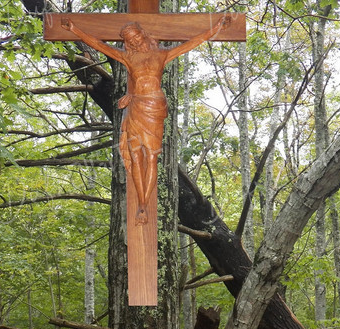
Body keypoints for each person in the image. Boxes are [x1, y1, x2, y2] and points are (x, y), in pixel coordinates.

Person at [61, 15, 231, 224]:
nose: (134, 43)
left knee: (151, 157)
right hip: (137, 108)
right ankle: (141, 204)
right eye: (130, 41)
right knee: (134, 156)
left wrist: (217, 28)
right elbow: (98, 45)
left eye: (136, 38)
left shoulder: (161, 55)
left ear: (143, 35)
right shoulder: (128, 58)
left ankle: (143, 204)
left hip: (154, 108)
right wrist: (74, 30)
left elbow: (192, 42)